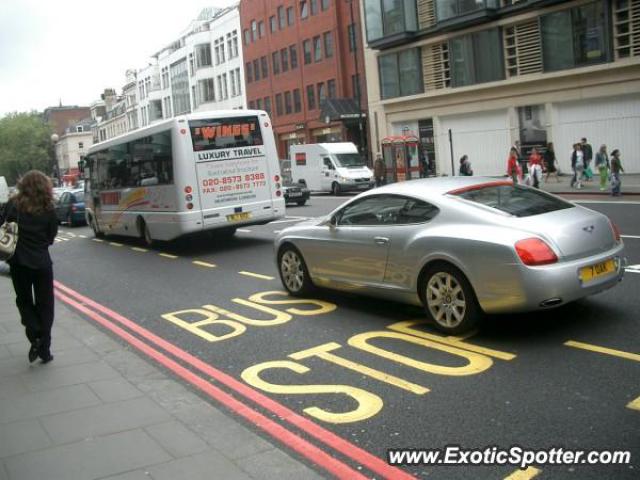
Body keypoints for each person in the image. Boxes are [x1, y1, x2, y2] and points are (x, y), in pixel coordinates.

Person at [0, 171, 58, 364]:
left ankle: (35, 335)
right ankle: (44, 350)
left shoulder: (13, 205)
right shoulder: (48, 208)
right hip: (42, 263)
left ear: (22, 185)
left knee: (24, 301)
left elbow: (3, 227)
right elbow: (51, 236)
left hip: (18, 263)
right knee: (46, 305)